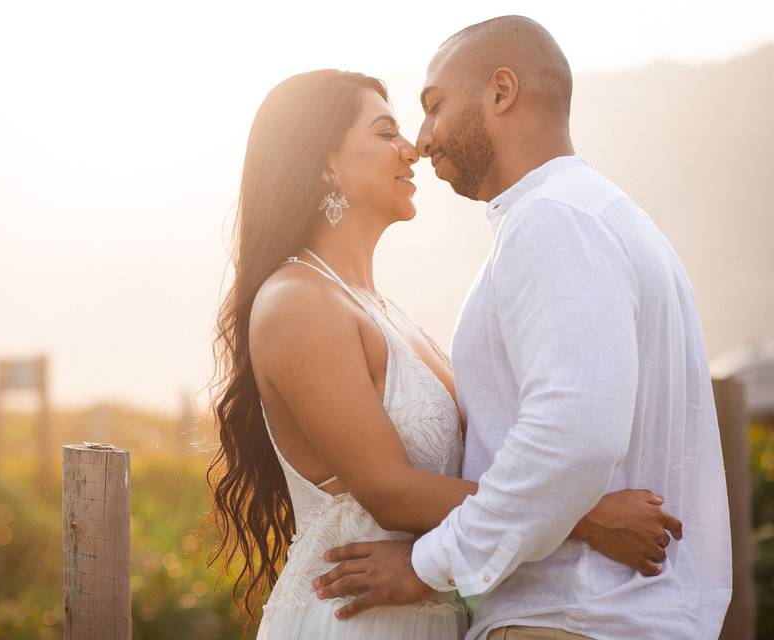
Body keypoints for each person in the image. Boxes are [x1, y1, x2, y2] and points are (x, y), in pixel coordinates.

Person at [208, 66, 682, 640]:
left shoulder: (382, 309)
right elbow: (390, 491)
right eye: (385, 134)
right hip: (355, 620)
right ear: (324, 162)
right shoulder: (296, 301)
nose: (411, 150)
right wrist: (587, 518)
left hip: (431, 613)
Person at [313, 16, 733, 640]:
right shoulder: (595, 214)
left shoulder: (552, 222)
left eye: (434, 107)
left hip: (572, 618)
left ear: (501, 92)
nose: (423, 140)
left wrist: (428, 566)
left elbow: (573, 436)